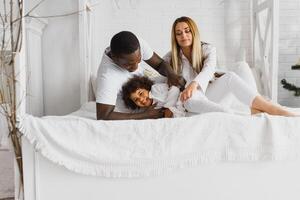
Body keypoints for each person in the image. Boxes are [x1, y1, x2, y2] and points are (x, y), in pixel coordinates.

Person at [162, 16, 295, 116]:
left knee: (230, 76)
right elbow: (158, 75)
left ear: (193, 32)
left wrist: (194, 84)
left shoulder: (208, 49)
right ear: (175, 37)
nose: (183, 36)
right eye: (178, 33)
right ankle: (243, 114)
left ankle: (271, 108)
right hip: (191, 100)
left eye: (187, 31)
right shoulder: (170, 58)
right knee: (191, 99)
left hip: (209, 93)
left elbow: (209, 69)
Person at [95, 31, 185, 120]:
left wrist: (172, 75)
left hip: (149, 93)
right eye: (129, 65)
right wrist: (145, 115)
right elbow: (103, 115)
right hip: (138, 111)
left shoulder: (135, 44)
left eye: (139, 60)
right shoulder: (107, 77)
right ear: (115, 58)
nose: (135, 68)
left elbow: (159, 64)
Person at [122, 75, 296, 117]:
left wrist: (168, 107)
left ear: (145, 88)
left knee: (229, 77)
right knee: (200, 108)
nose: (142, 99)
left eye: (140, 93)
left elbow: (175, 89)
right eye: (137, 100)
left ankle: (272, 108)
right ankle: (252, 113)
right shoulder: (149, 112)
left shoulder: (157, 90)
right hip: (190, 112)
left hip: (190, 99)